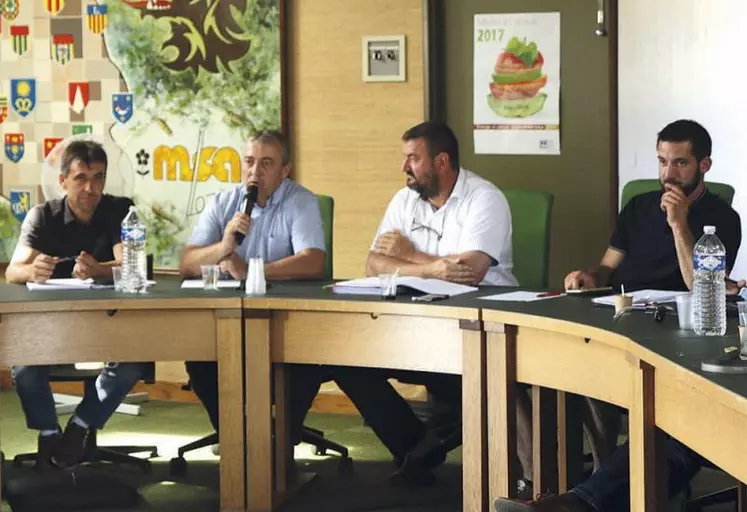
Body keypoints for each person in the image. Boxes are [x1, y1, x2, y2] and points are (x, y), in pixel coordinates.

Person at [494, 119, 742, 512]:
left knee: (665, 423)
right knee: (542, 373)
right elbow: (608, 268)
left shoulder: (721, 219)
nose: (667, 174)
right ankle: (545, 488)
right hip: (620, 318)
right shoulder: (639, 206)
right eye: (662, 162)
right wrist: (589, 276)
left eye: (680, 163)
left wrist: (679, 224)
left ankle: (576, 500)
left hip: (675, 332)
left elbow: (701, 286)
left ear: (704, 165)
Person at [329, 120, 524, 485]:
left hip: (478, 324)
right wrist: (435, 267)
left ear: (441, 161)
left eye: (413, 158)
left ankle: (424, 452)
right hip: (412, 320)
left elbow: (469, 271)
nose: (404, 167)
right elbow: (373, 263)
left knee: (476, 374)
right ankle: (415, 446)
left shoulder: (484, 198)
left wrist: (409, 256)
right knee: (348, 359)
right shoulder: (404, 200)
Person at [4, 140, 147, 470]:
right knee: (25, 367)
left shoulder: (119, 209)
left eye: (98, 178)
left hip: (109, 322)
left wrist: (99, 270)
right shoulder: (43, 215)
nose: (90, 188)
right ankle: (49, 433)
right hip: (52, 326)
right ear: (63, 181)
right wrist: (32, 271)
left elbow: (132, 266)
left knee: (130, 363)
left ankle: (80, 427)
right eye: (81, 178)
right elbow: (14, 271)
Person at [179, 130, 326, 442]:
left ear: (284, 170)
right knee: (201, 361)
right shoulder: (223, 202)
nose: (254, 172)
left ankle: (281, 443)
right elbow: (187, 262)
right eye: (249, 162)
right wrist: (223, 246)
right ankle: (237, 440)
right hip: (229, 321)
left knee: (306, 363)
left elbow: (313, 261)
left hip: (285, 322)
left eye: (266, 164)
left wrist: (252, 271)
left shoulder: (301, 201)